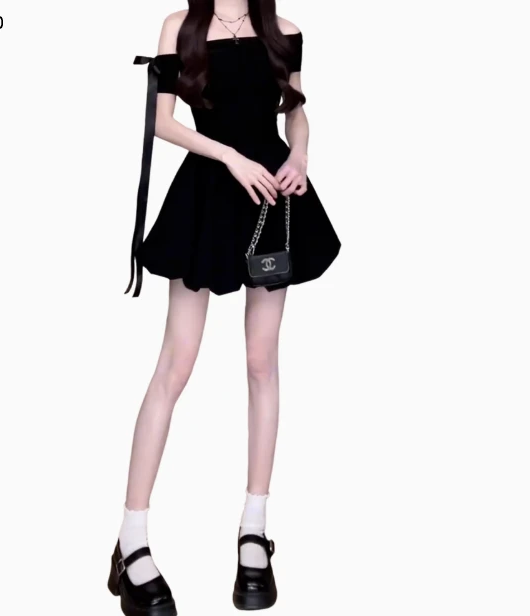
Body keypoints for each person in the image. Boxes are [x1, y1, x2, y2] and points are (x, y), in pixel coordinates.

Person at [108, 1, 341, 614]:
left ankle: (254, 533)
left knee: (263, 362)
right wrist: (229, 156)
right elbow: (161, 122)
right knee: (175, 365)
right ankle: (131, 539)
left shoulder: (285, 31)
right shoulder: (179, 26)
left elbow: (296, 108)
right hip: (211, 189)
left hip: (270, 192)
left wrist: (299, 155)